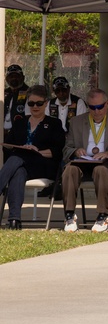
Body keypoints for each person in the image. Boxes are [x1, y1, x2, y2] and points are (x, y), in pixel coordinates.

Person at [61, 89, 108, 232]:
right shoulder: (76, 122)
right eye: (92, 107)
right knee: (70, 170)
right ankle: (69, 215)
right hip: (83, 161)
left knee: (101, 170)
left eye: (99, 107)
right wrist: (76, 151)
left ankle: (103, 215)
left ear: (107, 104)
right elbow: (66, 149)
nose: (96, 111)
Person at [0, 85, 64, 229]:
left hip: (43, 165)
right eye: (31, 103)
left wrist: (37, 151)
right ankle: (14, 220)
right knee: (18, 172)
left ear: (46, 103)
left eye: (39, 103)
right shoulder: (20, 123)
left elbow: (57, 151)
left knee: (16, 160)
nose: (35, 107)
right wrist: (21, 149)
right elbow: (9, 146)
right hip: (22, 165)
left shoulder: (54, 123)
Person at [4, 64, 29, 131]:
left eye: (17, 76)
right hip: (3, 133)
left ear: (23, 77)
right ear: (6, 79)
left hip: (20, 133)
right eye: (11, 76)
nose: (14, 78)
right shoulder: (3, 93)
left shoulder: (29, 92)